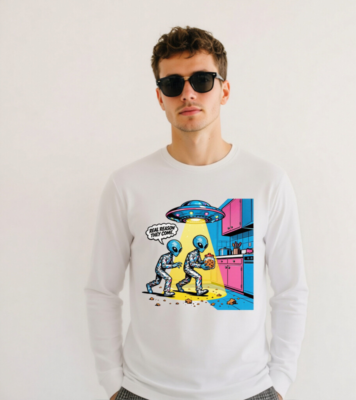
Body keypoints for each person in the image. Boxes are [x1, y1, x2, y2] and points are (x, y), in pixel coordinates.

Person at [84, 26, 309, 400]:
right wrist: (111, 381)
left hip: (249, 389)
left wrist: (281, 380)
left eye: (202, 80)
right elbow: (102, 290)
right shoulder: (127, 185)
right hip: (145, 390)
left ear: (224, 90)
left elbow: (291, 290)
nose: (188, 93)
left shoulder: (267, 181)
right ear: (160, 97)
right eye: (173, 84)